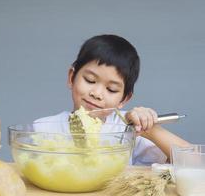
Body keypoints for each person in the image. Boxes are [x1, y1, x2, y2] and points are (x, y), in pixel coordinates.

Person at [35, 34, 189, 165]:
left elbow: (193, 162)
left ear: (124, 99)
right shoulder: (43, 128)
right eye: (90, 80)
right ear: (71, 77)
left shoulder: (126, 130)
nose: (97, 93)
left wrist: (151, 130)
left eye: (111, 89)